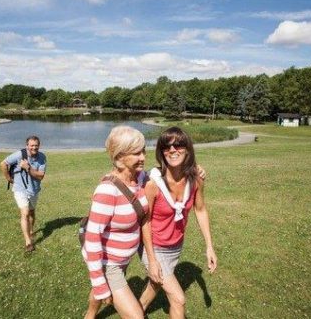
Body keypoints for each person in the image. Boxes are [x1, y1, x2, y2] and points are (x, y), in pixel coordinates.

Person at [139, 126, 218, 318]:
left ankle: (136, 311)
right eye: (167, 146)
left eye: (178, 145)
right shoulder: (153, 184)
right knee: (178, 298)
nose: (172, 150)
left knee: (156, 283)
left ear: (188, 148)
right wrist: (151, 259)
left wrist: (209, 247)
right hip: (154, 246)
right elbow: (145, 222)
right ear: (161, 152)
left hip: (175, 246)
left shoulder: (196, 180)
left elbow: (200, 210)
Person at [82, 125, 148, 319]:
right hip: (107, 262)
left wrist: (193, 169)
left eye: (143, 150)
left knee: (105, 290)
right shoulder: (107, 191)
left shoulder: (140, 177)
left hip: (123, 259)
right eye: (136, 153)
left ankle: (90, 315)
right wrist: (100, 284)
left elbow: (162, 173)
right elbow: (92, 238)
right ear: (119, 158)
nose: (143, 157)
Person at [0, 135, 46, 252]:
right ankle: (28, 242)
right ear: (27, 146)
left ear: (39, 146)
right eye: (31, 145)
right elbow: (3, 164)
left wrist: (28, 168)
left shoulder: (42, 157)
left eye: (36, 145)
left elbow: (40, 176)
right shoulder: (19, 155)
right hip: (20, 189)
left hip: (34, 189)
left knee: (31, 212)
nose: (34, 148)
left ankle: (31, 231)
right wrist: (9, 179)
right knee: (24, 213)